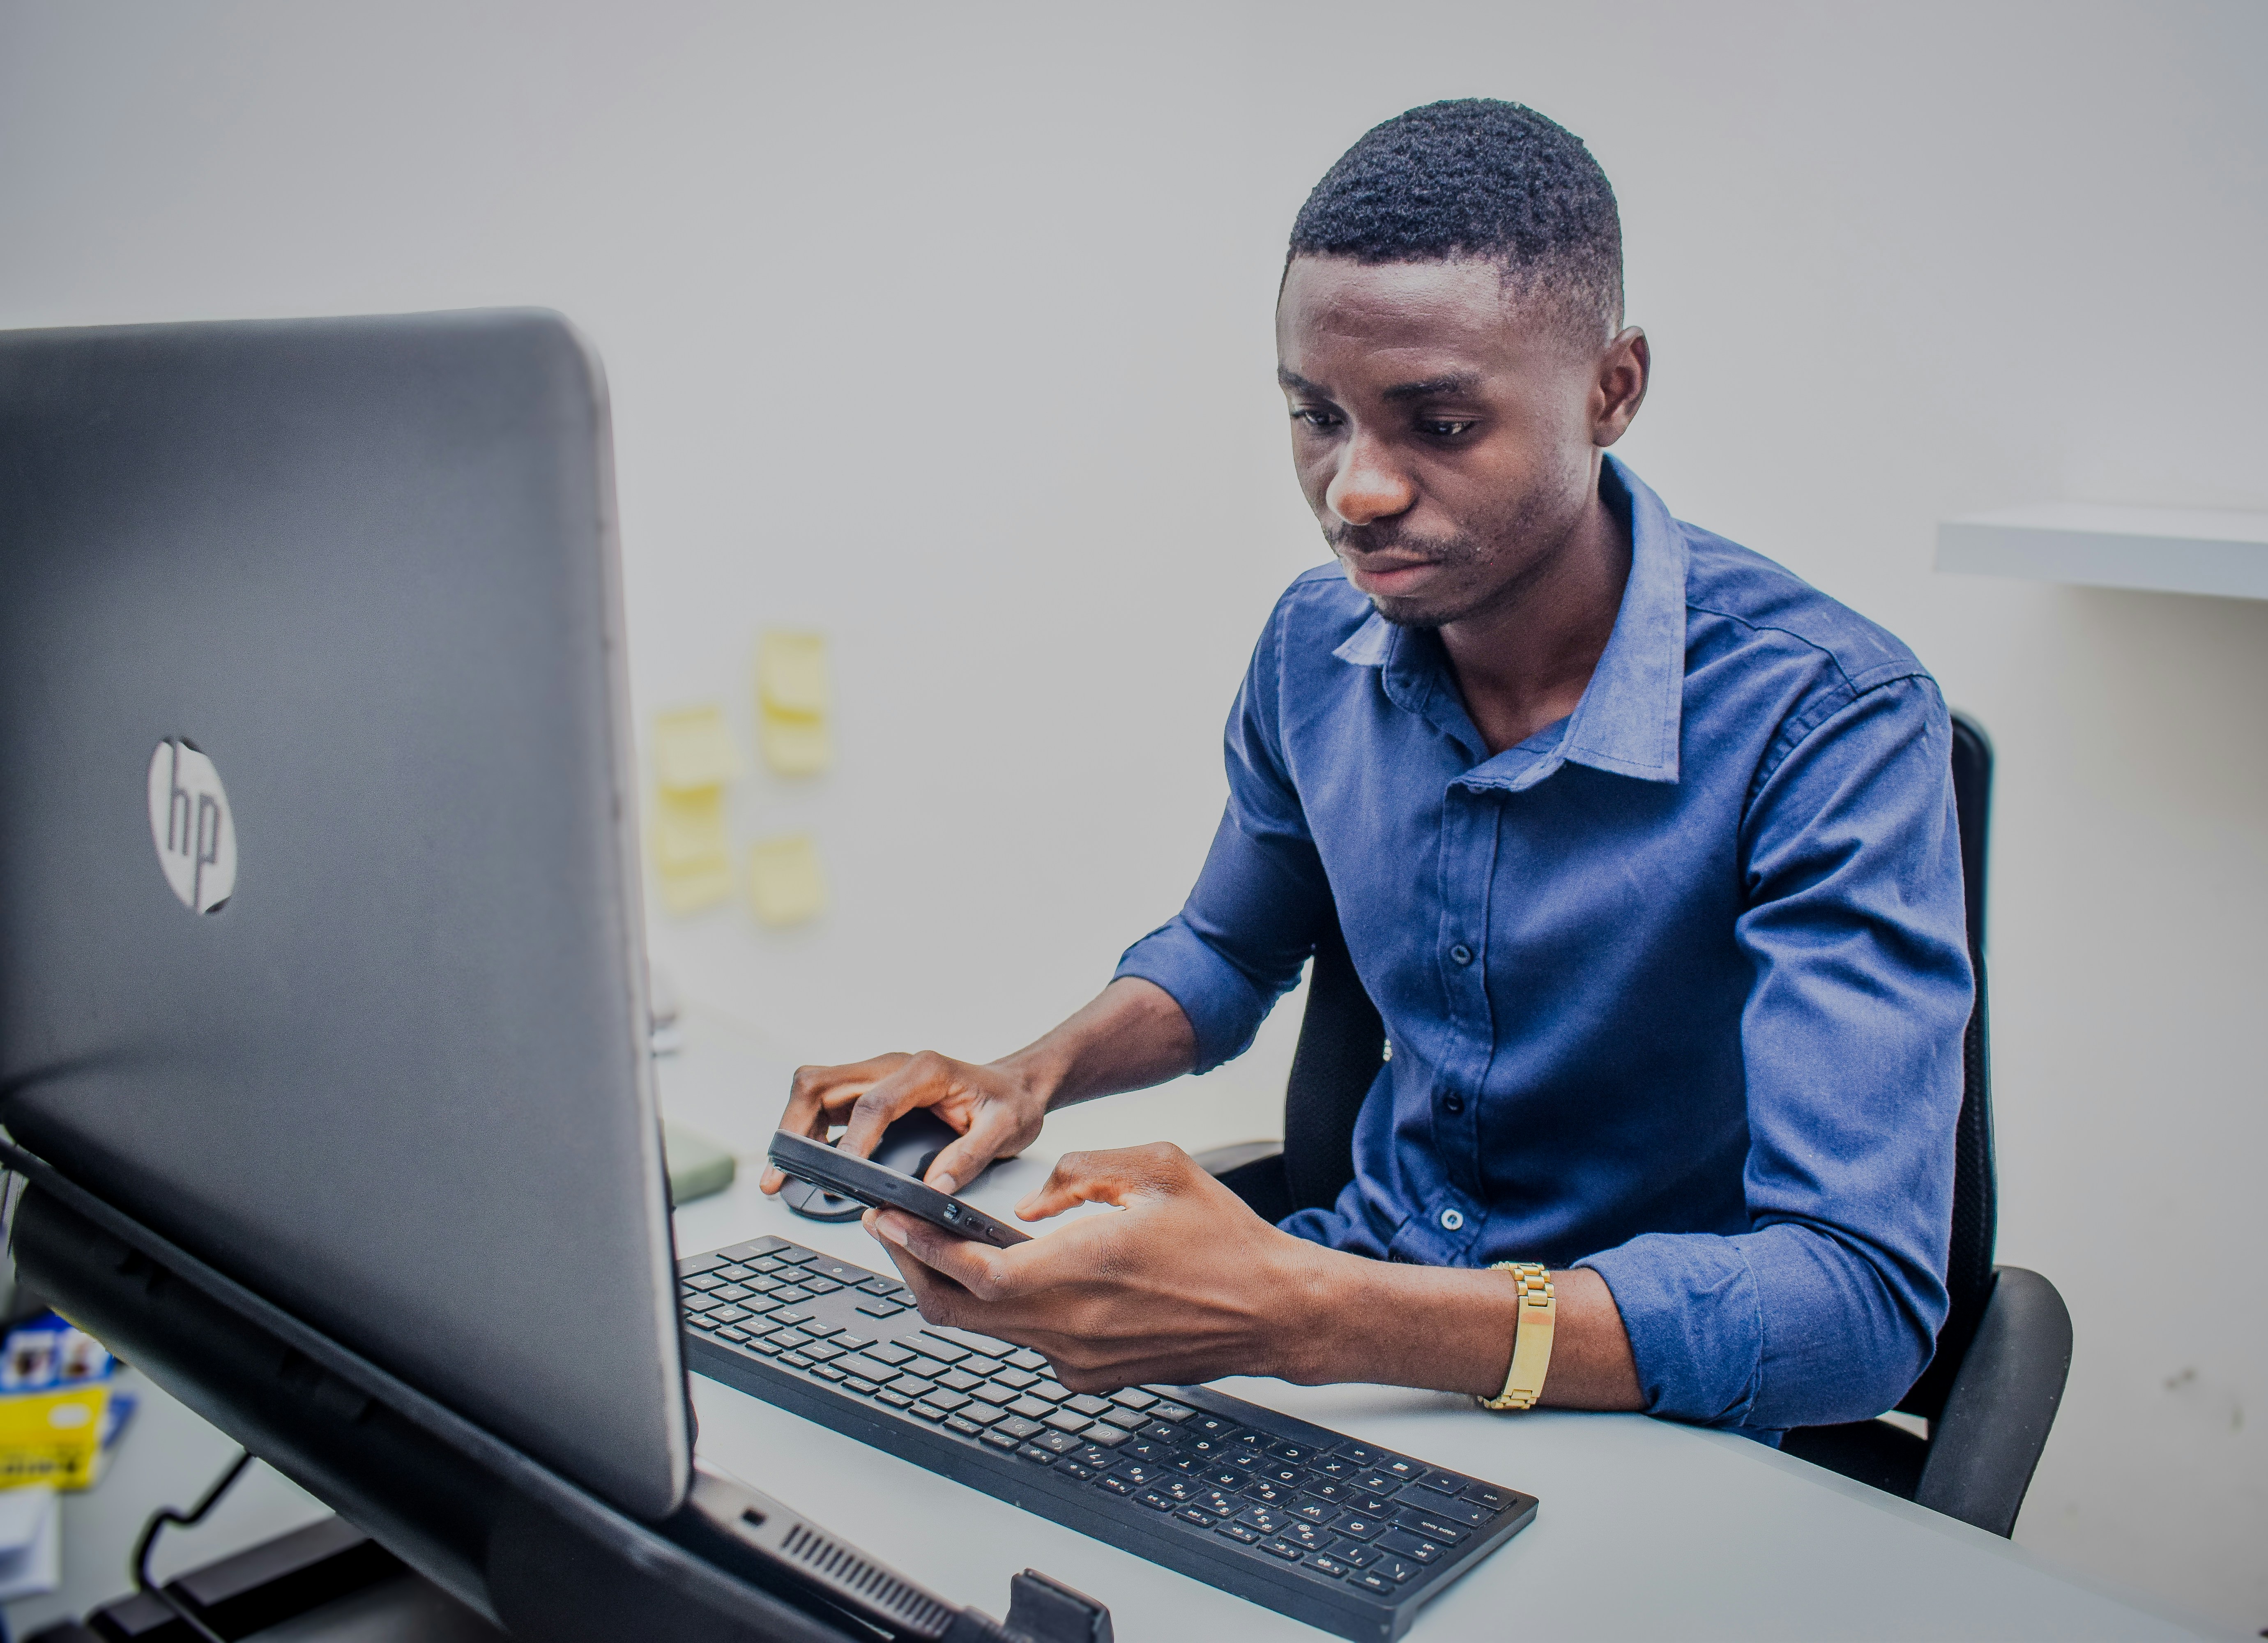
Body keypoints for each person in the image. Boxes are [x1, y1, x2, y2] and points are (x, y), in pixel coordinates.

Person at [759, 99, 1973, 1435]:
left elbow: (1854, 1308)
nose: (1355, 490)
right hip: (1353, 1350)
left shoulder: (1831, 719)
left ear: (1610, 389)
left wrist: (1307, 1312)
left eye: (1437, 426)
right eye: (1316, 416)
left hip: (1647, 1411)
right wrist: (1023, 1078)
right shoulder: (1313, 644)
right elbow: (1225, 954)